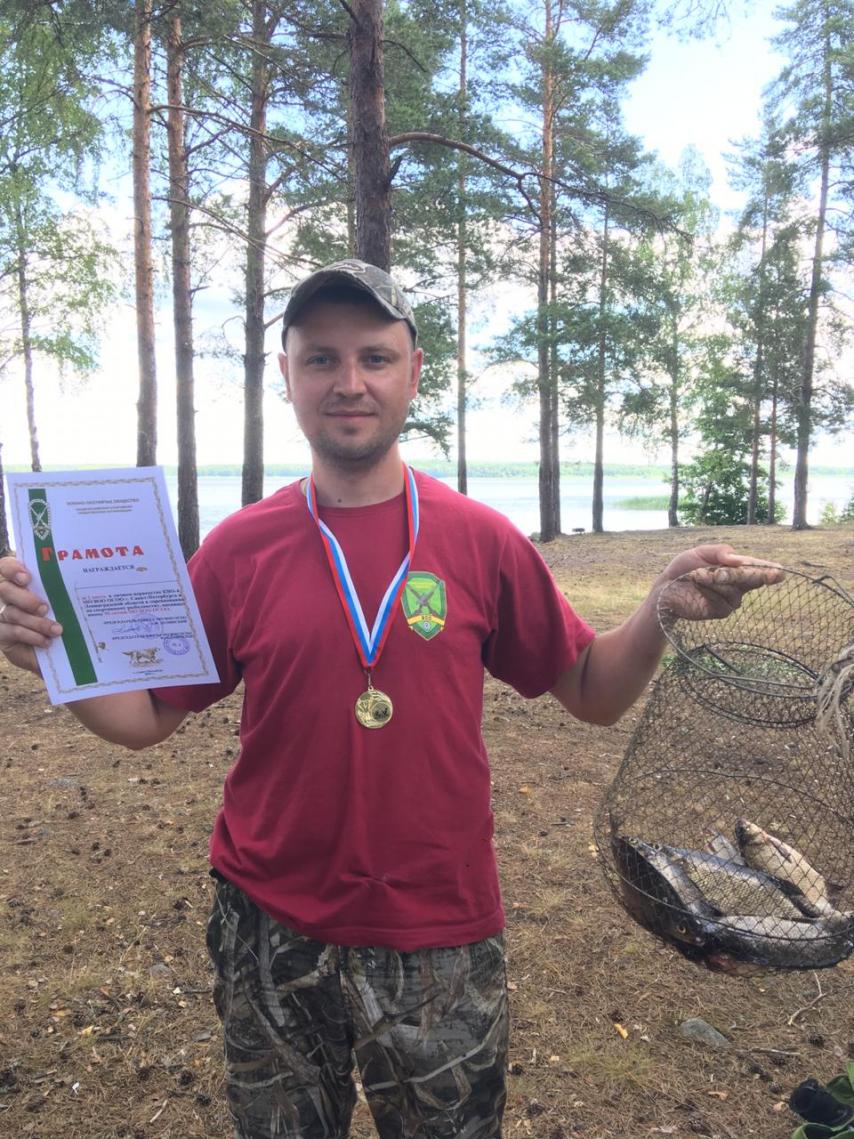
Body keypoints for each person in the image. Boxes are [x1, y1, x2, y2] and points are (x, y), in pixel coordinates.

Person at [0, 259, 783, 1139]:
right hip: (269, 925)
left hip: (438, 931)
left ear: (413, 374)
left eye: (374, 357)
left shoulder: (481, 539)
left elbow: (593, 690)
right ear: (287, 378)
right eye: (321, 358)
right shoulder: (238, 548)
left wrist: (657, 608)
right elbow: (145, 718)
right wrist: (54, 656)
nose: (350, 382)